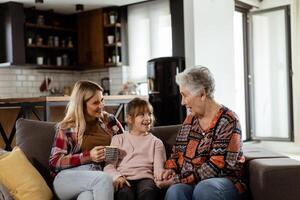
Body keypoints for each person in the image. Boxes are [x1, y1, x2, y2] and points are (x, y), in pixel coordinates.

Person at [155, 66, 246, 200]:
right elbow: (177, 153)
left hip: (222, 182)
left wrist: (176, 179)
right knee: (175, 191)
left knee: (204, 188)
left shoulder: (228, 120)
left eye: (185, 95)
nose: (182, 102)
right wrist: (170, 170)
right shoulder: (190, 120)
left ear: (202, 94)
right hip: (191, 181)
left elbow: (215, 168)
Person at [49, 80, 124, 200]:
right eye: (95, 103)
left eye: (102, 100)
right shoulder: (67, 127)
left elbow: (126, 145)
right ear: (82, 105)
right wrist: (89, 156)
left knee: (87, 197)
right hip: (67, 179)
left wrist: (117, 168)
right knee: (104, 178)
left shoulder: (110, 121)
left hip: (96, 176)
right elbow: (54, 162)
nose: (101, 106)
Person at [104, 97, 166, 200]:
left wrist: (161, 176)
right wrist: (117, 176)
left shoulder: (157, 142)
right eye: (141, 115)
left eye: (149, 114)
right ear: (129, 118)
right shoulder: (116, 139)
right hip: (123, 178)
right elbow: (108, 166)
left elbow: (159, 169)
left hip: (146, 179)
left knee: (148, 192)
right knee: (124, 194)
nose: (147, 118)